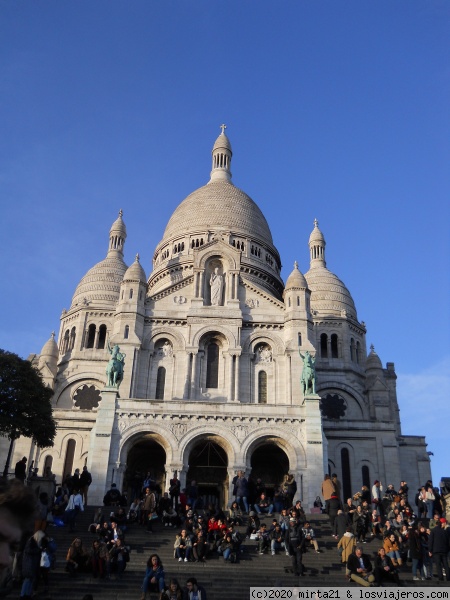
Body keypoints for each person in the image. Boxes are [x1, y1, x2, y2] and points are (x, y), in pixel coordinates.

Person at [20, 530, 45, 599]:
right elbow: (28, 551)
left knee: (30, 580)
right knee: (27, 580)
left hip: (32, 564)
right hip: (29, 564)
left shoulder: (34, 542)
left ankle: (27, 594)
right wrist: (39, 550)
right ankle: (23, 595)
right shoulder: (31, 541)